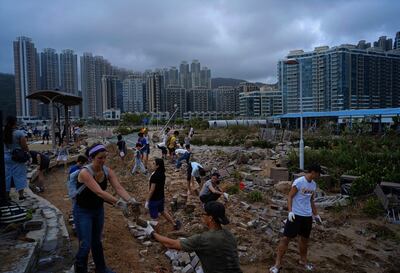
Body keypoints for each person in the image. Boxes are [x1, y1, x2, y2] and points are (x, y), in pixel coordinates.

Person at [74, 143, 139, 273]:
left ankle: (101, 268)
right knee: (85, 244)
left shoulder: (107, 171)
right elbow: (100, 192)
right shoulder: (85, 173)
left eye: (105, 157)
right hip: (83, 212)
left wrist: (131, 200)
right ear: (91, 158)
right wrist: (120, 203)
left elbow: (118, 188)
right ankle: (80, 269)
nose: (103, 160)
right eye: (100, 158)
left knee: (97, 241)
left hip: (98, 210)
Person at [146, 201, 243, 273]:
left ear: (210, 218)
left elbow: (171, 244)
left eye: (203, 214)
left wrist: (152, 233)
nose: (201, 216)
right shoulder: (229, 235)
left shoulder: (204, 239)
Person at [269, 164, 323, 273]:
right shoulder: (299, 182)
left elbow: (311, 200)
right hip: (296, 215)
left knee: (304, 240)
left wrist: (316, 214)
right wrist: (290, 212)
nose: (318, 175)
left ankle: (303, 261)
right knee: (285, 239)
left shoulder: (313, 185)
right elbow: (290, 196)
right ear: (313, 172)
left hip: (307, 216)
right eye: (318, 173)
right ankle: (277, 264)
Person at [145, 158, 181, 230]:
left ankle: (156, 234)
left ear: (157, 166)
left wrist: (147, 201)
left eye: (153, 163)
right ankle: (174, 224)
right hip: (161, 197)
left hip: (154, 199)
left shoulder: (154, 176)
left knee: (154, 219)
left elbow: (152, 190)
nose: (152, 165)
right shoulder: (162, 173)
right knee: (162, 211)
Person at [3, 116, 29, 201]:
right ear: (15, 123)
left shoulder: (4, 132)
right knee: (19, 175)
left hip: (6, 158)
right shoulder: (19, 133)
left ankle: (7, 195)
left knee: (7, 177)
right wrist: (28, 154)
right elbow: (24, 146)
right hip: (17, 157)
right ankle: (21, 195)